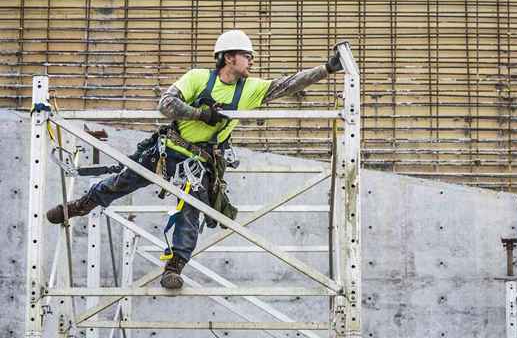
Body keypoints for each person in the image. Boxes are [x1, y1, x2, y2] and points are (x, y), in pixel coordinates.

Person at [46, 30, 344, 289]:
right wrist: (200, 113)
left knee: (192, 209)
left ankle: (174, 268)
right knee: (124, 180)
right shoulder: (199, 78)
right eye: (247, 56)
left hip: (198, 162)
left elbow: (289, 84)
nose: (252, 61)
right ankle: (81, 206)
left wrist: (327, 68)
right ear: (229, 58)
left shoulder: (250, 89)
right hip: (168, 150)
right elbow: (167, 104)